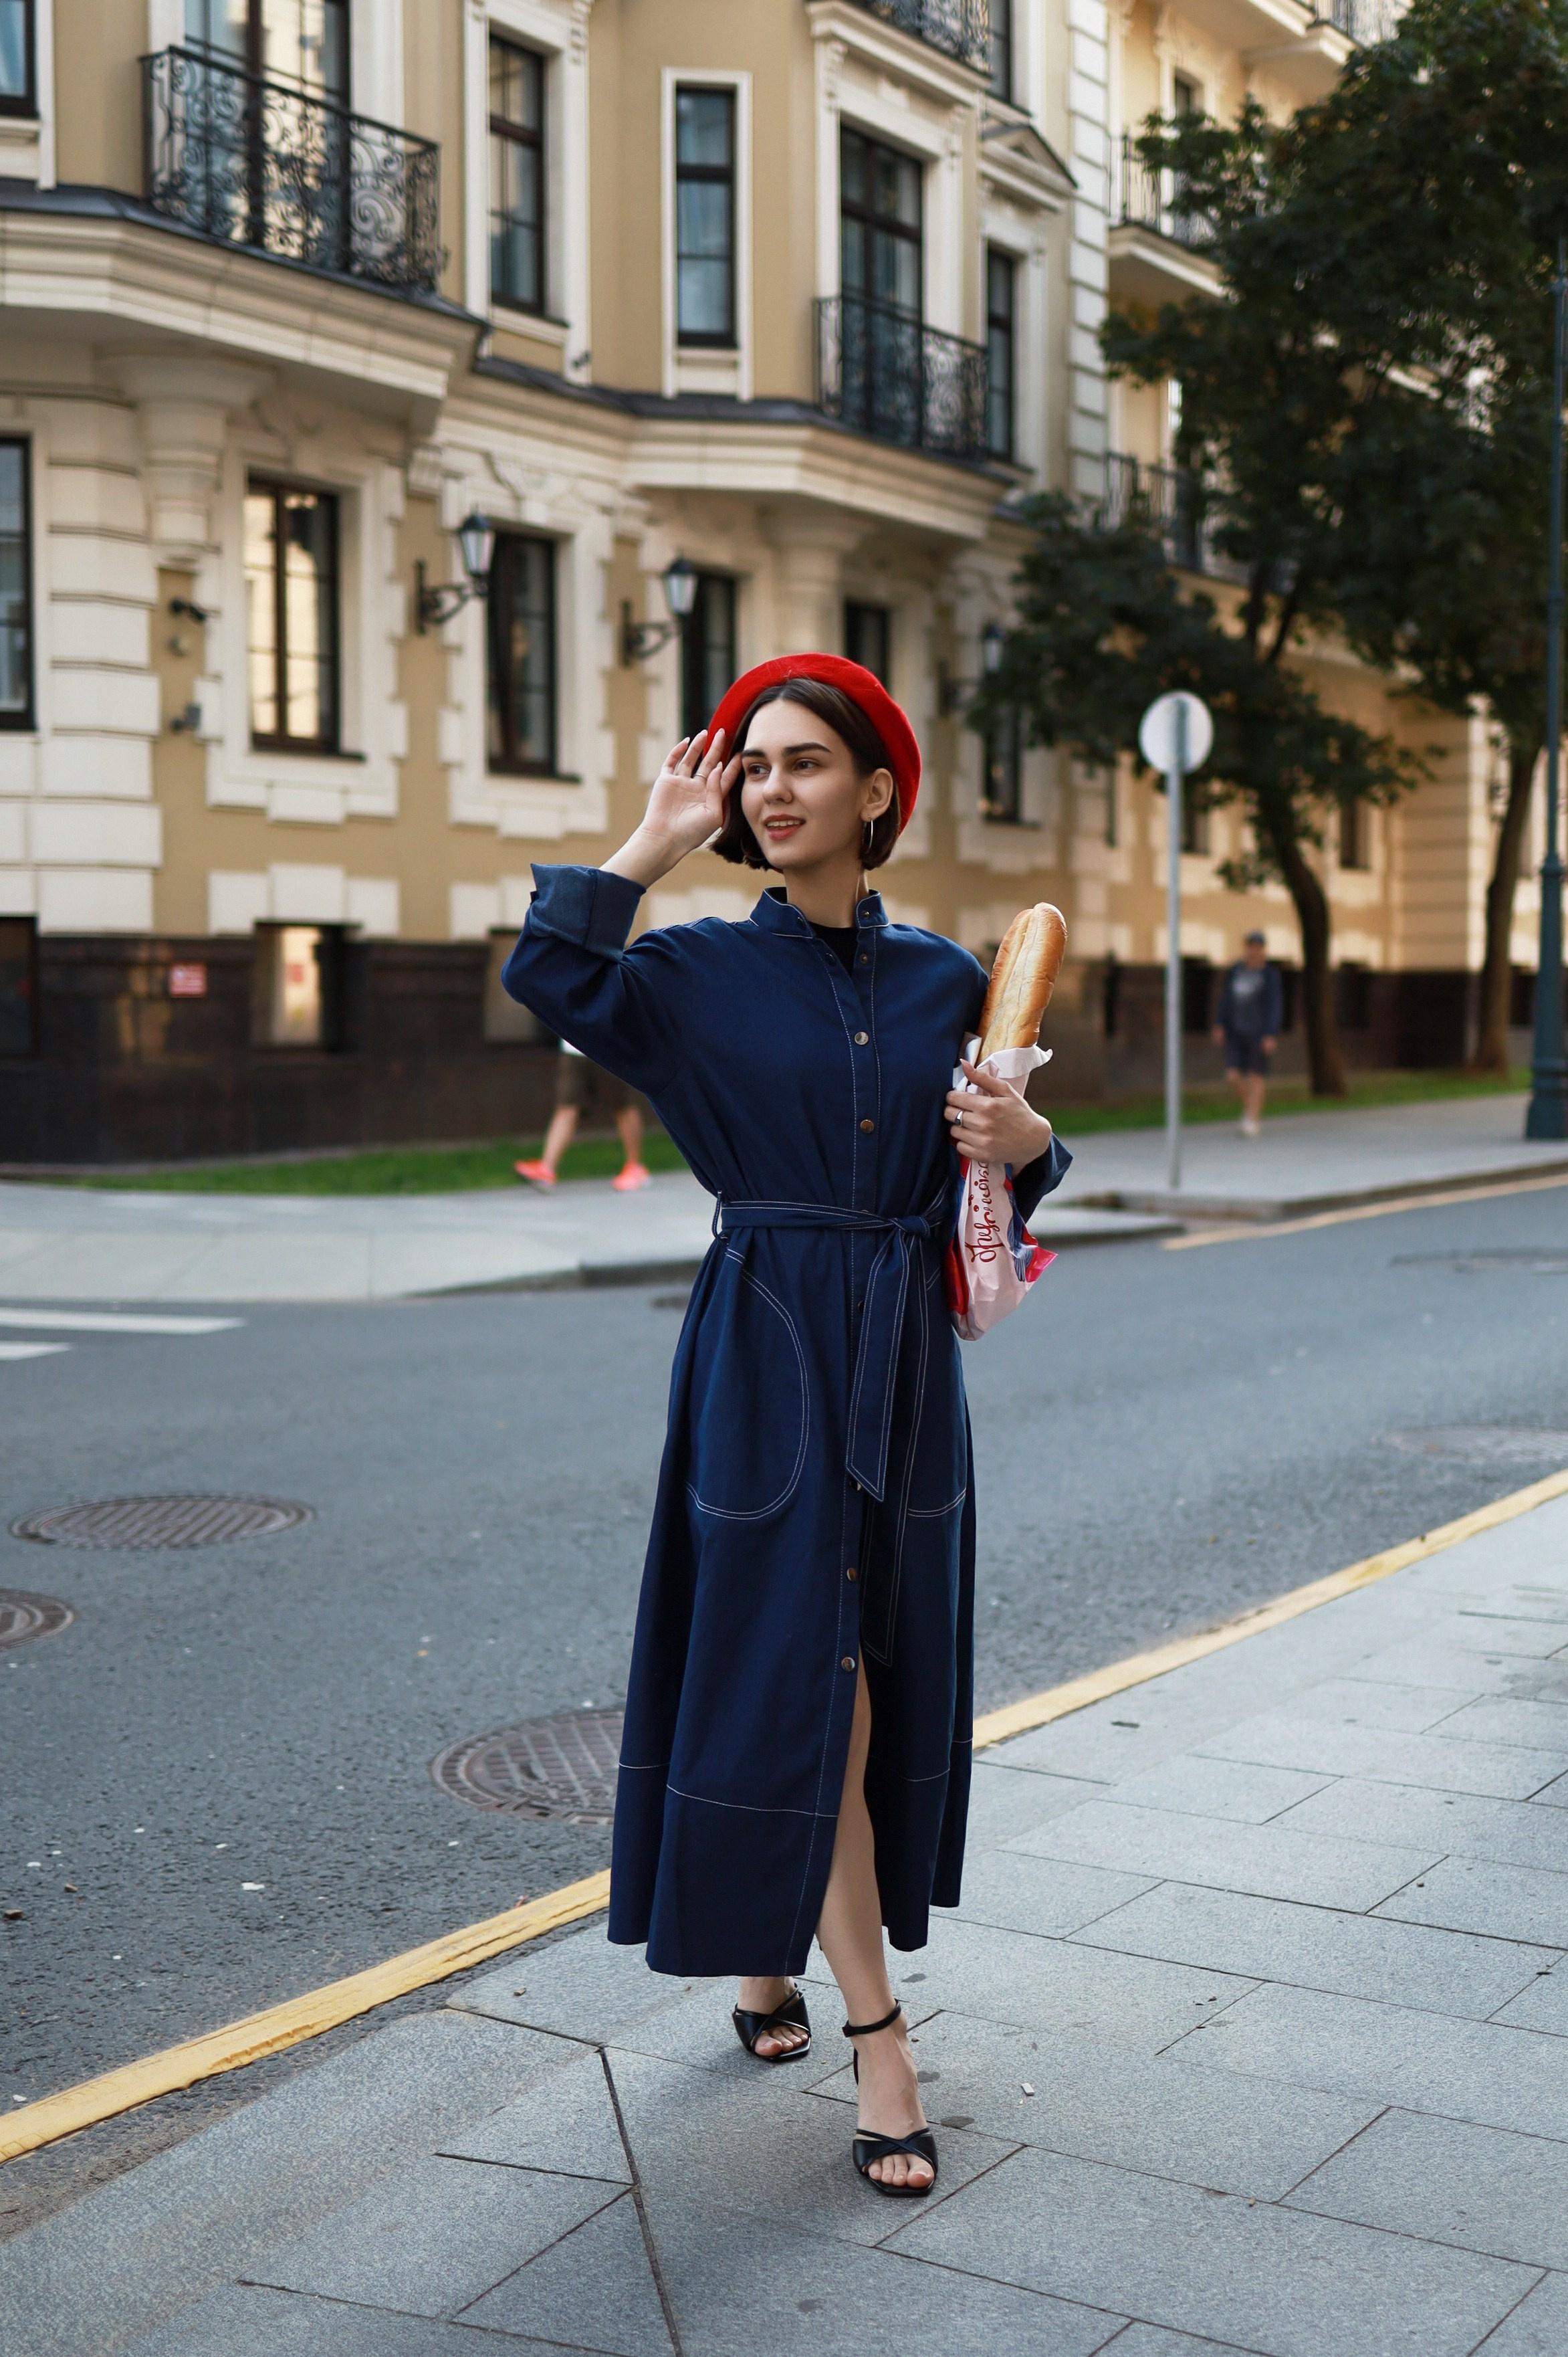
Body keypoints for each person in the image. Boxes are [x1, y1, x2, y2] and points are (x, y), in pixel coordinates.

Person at [501, 653, 1069, 2197]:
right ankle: (879, 2033)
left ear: (878, 791)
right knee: (805, 1675)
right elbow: (550, 976)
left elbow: (987, 1191)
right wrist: (647, 843)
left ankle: (770, 1959)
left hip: (902, 1360)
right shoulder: (690, 971)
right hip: (763, 1350)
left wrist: (1030, 1138)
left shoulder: (955, 978)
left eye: (806, 762)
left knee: (871, 1660)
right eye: (755, 765)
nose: (772, 787)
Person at [515, 1041, 650, 1191]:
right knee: (567, 1105)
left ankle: (635, 1167)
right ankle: (546, 1169)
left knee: (622, 1104)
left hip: (609, 1045)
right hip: (573, 1047)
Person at [1213, 930, 1282, 1137]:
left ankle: (1253, 1119)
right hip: (1236, 1031)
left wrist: (1270, 1033)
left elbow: (1274, 1005)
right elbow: (1226, 999)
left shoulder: (1269, 975)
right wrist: (1220, 1024)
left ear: (1263, 950)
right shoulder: (1236, 971)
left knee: (1255, 1075)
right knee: (1232, 1075)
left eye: (1257, 946)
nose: (1253, 950)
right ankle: (1248, 1108)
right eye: (1250, 946)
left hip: (1258, 1032)